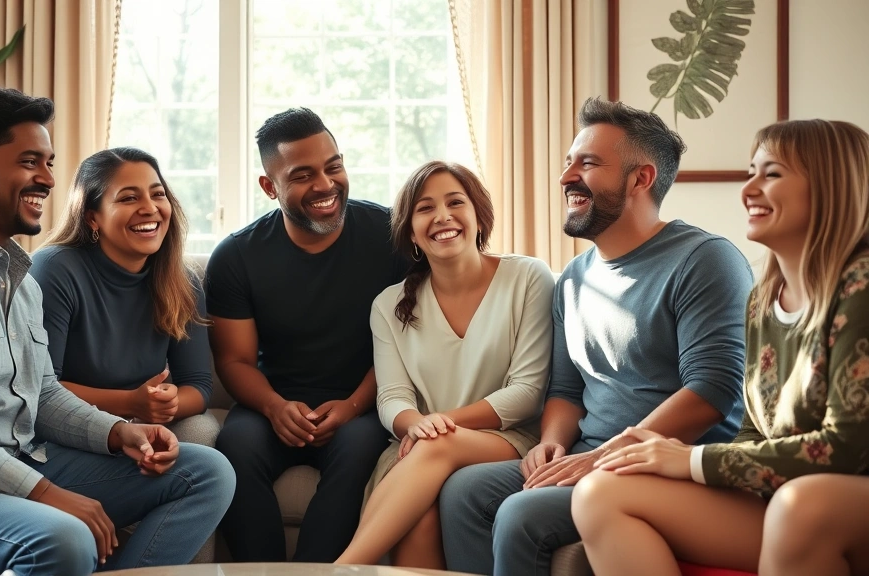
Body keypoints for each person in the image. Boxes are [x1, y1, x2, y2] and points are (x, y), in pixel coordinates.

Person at [0, 85, 235, 576]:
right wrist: (46, 493)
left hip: (10, 459)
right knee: (64, 539)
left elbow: (42, 393)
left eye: (49, 163)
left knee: (206, 473)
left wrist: (119, 433)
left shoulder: (17, 275)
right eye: (30, 162)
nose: (49, 179)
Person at [438, 97, 753, 576]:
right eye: (569, 162)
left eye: (587, 164)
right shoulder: (573, 278)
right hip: (591, 455)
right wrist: (551, 444)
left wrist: (603, 458)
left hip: (668, 462)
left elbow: (712, 390)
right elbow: (567, 390)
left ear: (640, 179)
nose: (566, 177)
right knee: (464, 491)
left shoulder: (705, 260)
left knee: (521, 515)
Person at [571, 119, 869, 576]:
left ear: (832, 185)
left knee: (799, 504)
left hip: (836, 501)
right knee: (600, 492)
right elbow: (754, 431)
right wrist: (679, 468)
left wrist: (692, 460)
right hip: (788, 499)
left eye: (772, 174)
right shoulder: (763, 301)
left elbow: (848, 447)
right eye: (751, 173)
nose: (748, 189)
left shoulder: (860, 286)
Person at [206, 107, 408, 562]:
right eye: (302, 175)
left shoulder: (391, 236)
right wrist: (274, 406)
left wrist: (353, 405)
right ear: (269, 187)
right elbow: (235, 361)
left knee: (358, 450)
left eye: (333, 166)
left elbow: (408, 347)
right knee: (236, 444)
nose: (325, 184)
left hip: (362, 402)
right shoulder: (236, 257)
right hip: (272, 403)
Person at [335, 161, 554, 568]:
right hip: (418, 445)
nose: (442, 216)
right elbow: (392, 397)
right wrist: (416, 425)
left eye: (455, 202)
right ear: (411, 231)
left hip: (506, 439)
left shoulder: (528, 277)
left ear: (478, 215)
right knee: (417, 522)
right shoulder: (388, 305)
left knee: (439, 443)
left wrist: (439, 424)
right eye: (425, 208)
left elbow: (526, 393)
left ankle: (340, 570)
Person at [29, 147, 220, 449]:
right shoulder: (54, 269)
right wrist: (130, 403)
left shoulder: (183, 280)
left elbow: (198, 386)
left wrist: (166, 403)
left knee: (202, 435)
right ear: (93, 217)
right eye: (129, 198)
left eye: (158, 194)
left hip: (143, 424)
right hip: (69, 426)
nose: (150, 208)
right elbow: (38, 389)